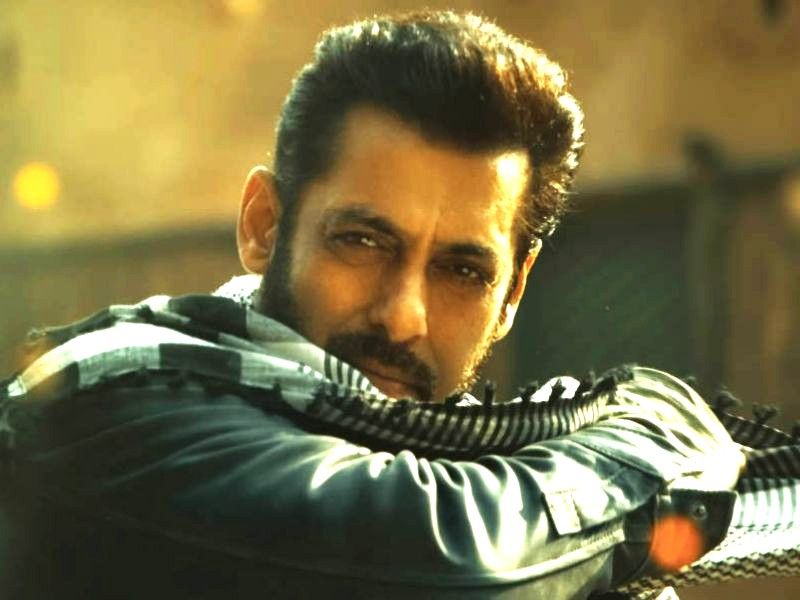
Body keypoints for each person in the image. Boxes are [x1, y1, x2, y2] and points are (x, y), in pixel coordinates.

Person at [0, 11, 746, 599]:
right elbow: (448, 563)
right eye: (362, 241)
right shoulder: (107, 400)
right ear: (264, 226)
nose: (403, 317)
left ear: (513, 293)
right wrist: (654, 442)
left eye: (462, 271)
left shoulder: (474, 456)